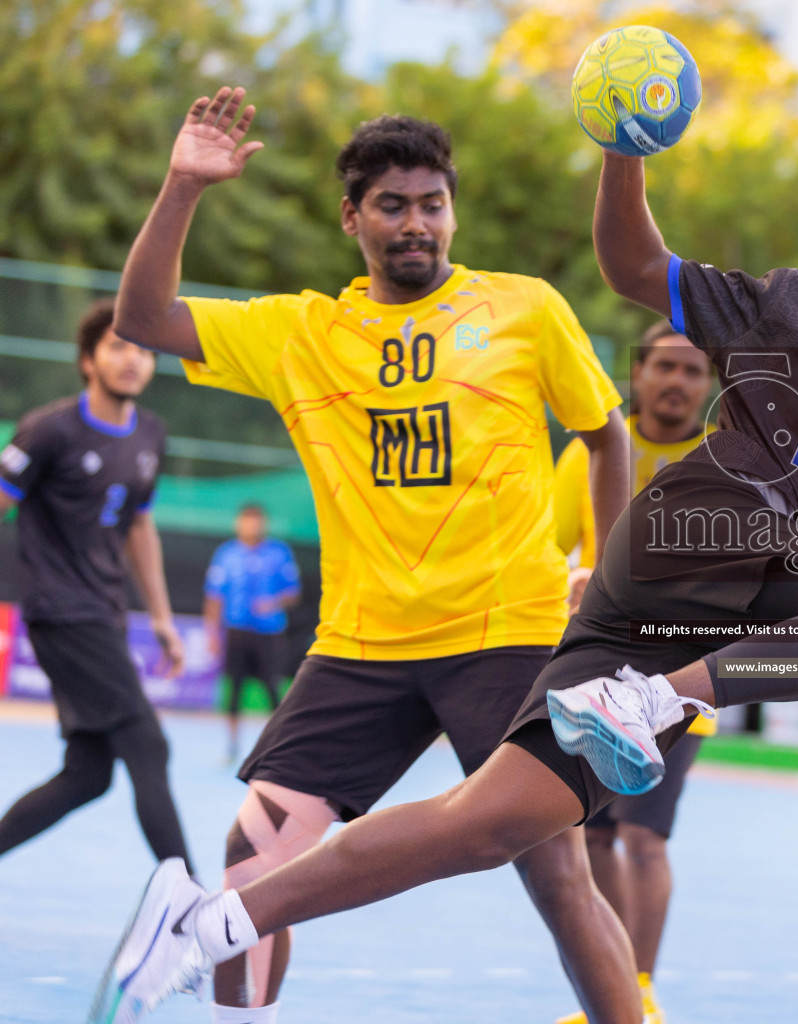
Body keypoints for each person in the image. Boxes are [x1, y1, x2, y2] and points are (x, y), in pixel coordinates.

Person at [93, 113, 798, 1024]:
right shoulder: (796, 312)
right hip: (673, 563)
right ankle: (644, 695)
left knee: (493, 822)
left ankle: (210, 921)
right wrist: (626, 142)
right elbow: (630, 263)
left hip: (723, 627)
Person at [106, 89, 638, 1024]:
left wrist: (606, 565)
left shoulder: (525, 310)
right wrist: (185, 186)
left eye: (433, 202)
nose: (416, 223)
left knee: (557, 875)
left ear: (452, 211)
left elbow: (606, 435)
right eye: (393, 204)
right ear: (353, 217)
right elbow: (143, 319)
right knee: (252, 856)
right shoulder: (302, 334)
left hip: (505, 633)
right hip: (362, 643)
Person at [550, 321, 715, 1024]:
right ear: (638, 374)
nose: (678, 382)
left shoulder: (728, 461)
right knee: (593, 835)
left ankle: (639, 996)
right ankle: (613, 991)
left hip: (680, 678)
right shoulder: (588, 451)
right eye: (665, 368)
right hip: (594, 670)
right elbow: (552, 546)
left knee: (645, 835)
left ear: (708, 385)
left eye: (692, 371)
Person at [0, 300, 192, 871]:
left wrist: (160, 617)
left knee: (88, 776)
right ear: (88, 360)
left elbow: (139, 526)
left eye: (143, 350)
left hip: (104, 613)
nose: (133, 359)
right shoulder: (48, 429)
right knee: (149, 745)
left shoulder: (152, 435)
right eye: (117, 346)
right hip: (60, 610)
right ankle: (188, 910)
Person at [204, 503, 301, 764]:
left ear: (263, 524)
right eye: (246, 521)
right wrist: (212, 634)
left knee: (272, 687)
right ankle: (232, 747)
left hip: (268, 632)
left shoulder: (279, 553)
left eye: (256, 521)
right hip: (236, 631)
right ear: (239, 523)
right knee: (233, 689)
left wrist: (272, 603)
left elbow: (293, 593)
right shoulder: (227, 553)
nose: (251, 526)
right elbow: (214, 597)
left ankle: (279, 748)